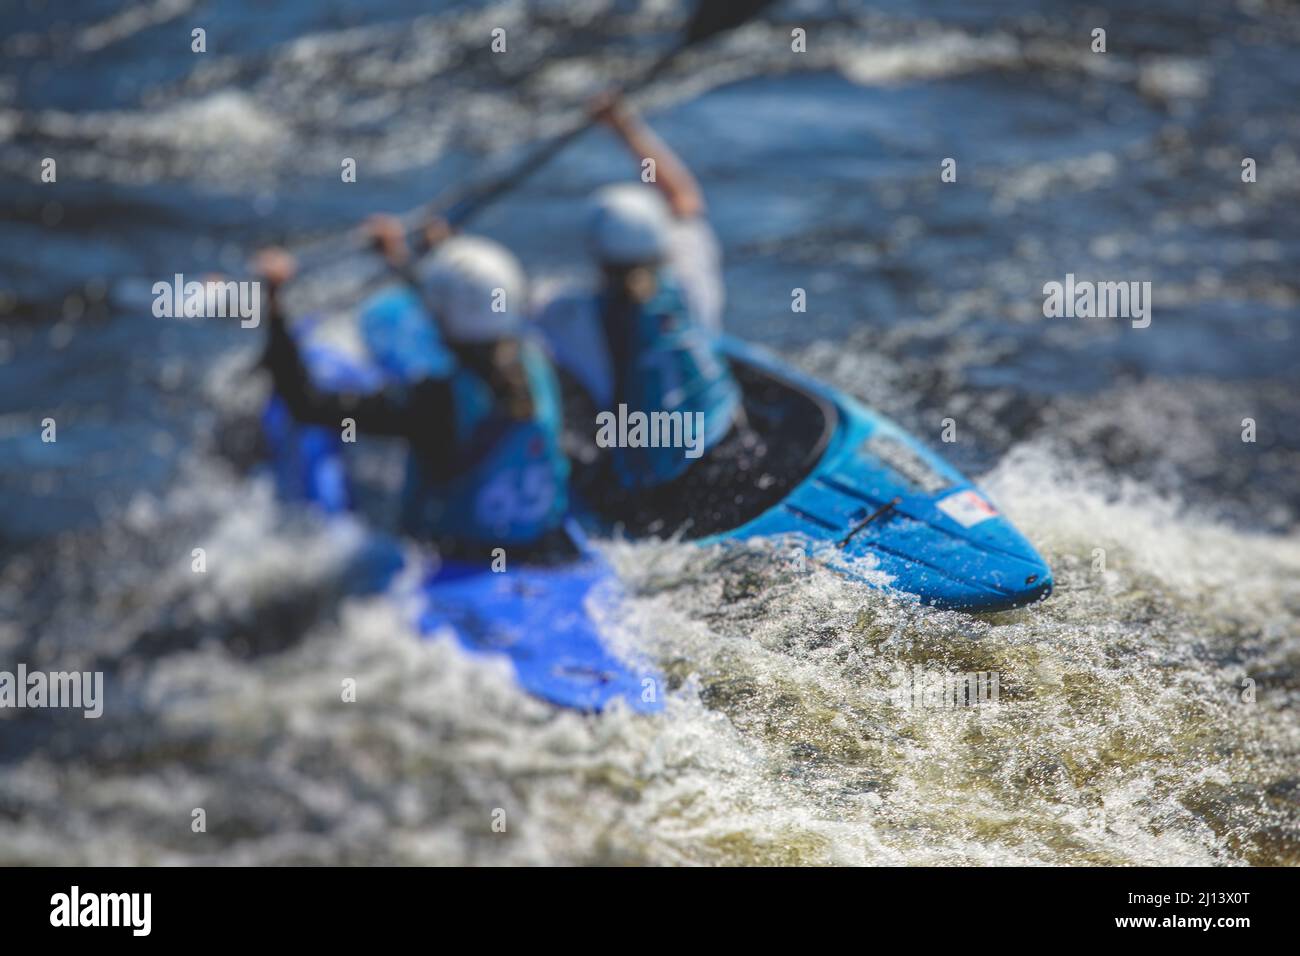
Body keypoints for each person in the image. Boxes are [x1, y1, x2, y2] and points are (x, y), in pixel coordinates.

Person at [255, 232, 572, 559]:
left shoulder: (433, 400)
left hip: (456, 558)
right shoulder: (541, 363)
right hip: (543, 548)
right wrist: (402, 261)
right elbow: (464, 310)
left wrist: (275, 305)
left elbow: (308, 404)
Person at [537, 93, 744, 495]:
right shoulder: (689, 264)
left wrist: (429, 250)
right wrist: (624, 127)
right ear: (660, 241)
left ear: (596, 255)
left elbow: (485, 315)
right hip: (728, 444)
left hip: (657, 484)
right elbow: (684, 197)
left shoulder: (566, 315)